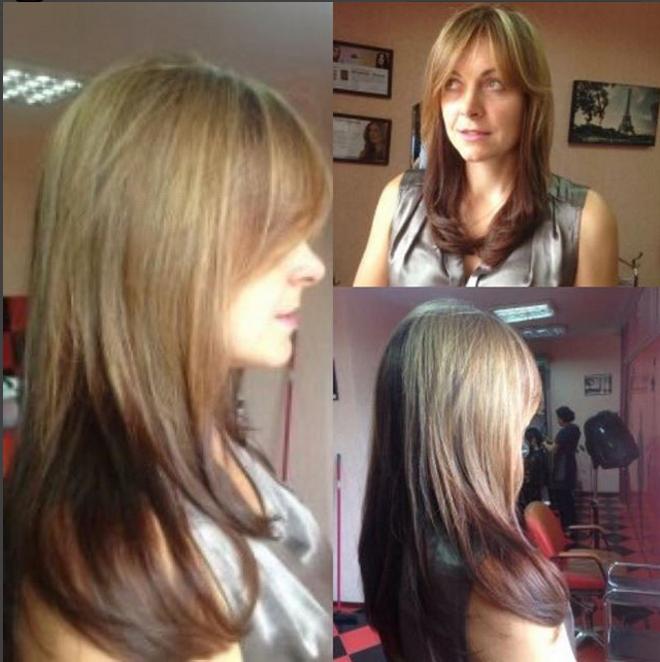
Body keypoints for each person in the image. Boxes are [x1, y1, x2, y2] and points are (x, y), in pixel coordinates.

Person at [4, 55, 331, 662]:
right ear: (156, 245)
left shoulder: (208, 436)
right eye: (274, 232)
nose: (310, 266)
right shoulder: (117, 564)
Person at [359, 300, 576, 662]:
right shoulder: (500, 588)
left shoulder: (394, 543)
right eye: (517, 430)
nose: (519, 451)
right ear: (485, 434)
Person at [354, 4, 619, 286]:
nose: (469, 107)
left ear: (529, 100)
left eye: (494, 83)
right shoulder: (398, 200)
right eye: (452, 83)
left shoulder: (586, 220)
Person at [550, 406, 581, 530]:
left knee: (562, 496)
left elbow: (553, 449)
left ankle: (566, 525)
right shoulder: (575, 429)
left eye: (558, 418)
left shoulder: (563, 432)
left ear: (562, 418)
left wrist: (543, 444)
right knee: (568, 496)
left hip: (562, 466)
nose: (557, 420)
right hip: (570, 464)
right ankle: (572, 522)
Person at [520, 427, 550, 509]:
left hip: (535, 484)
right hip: (536, 484)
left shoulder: (537, 454)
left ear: (533, 439)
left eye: (527, 439)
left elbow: (537, 469)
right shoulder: (540, 453)